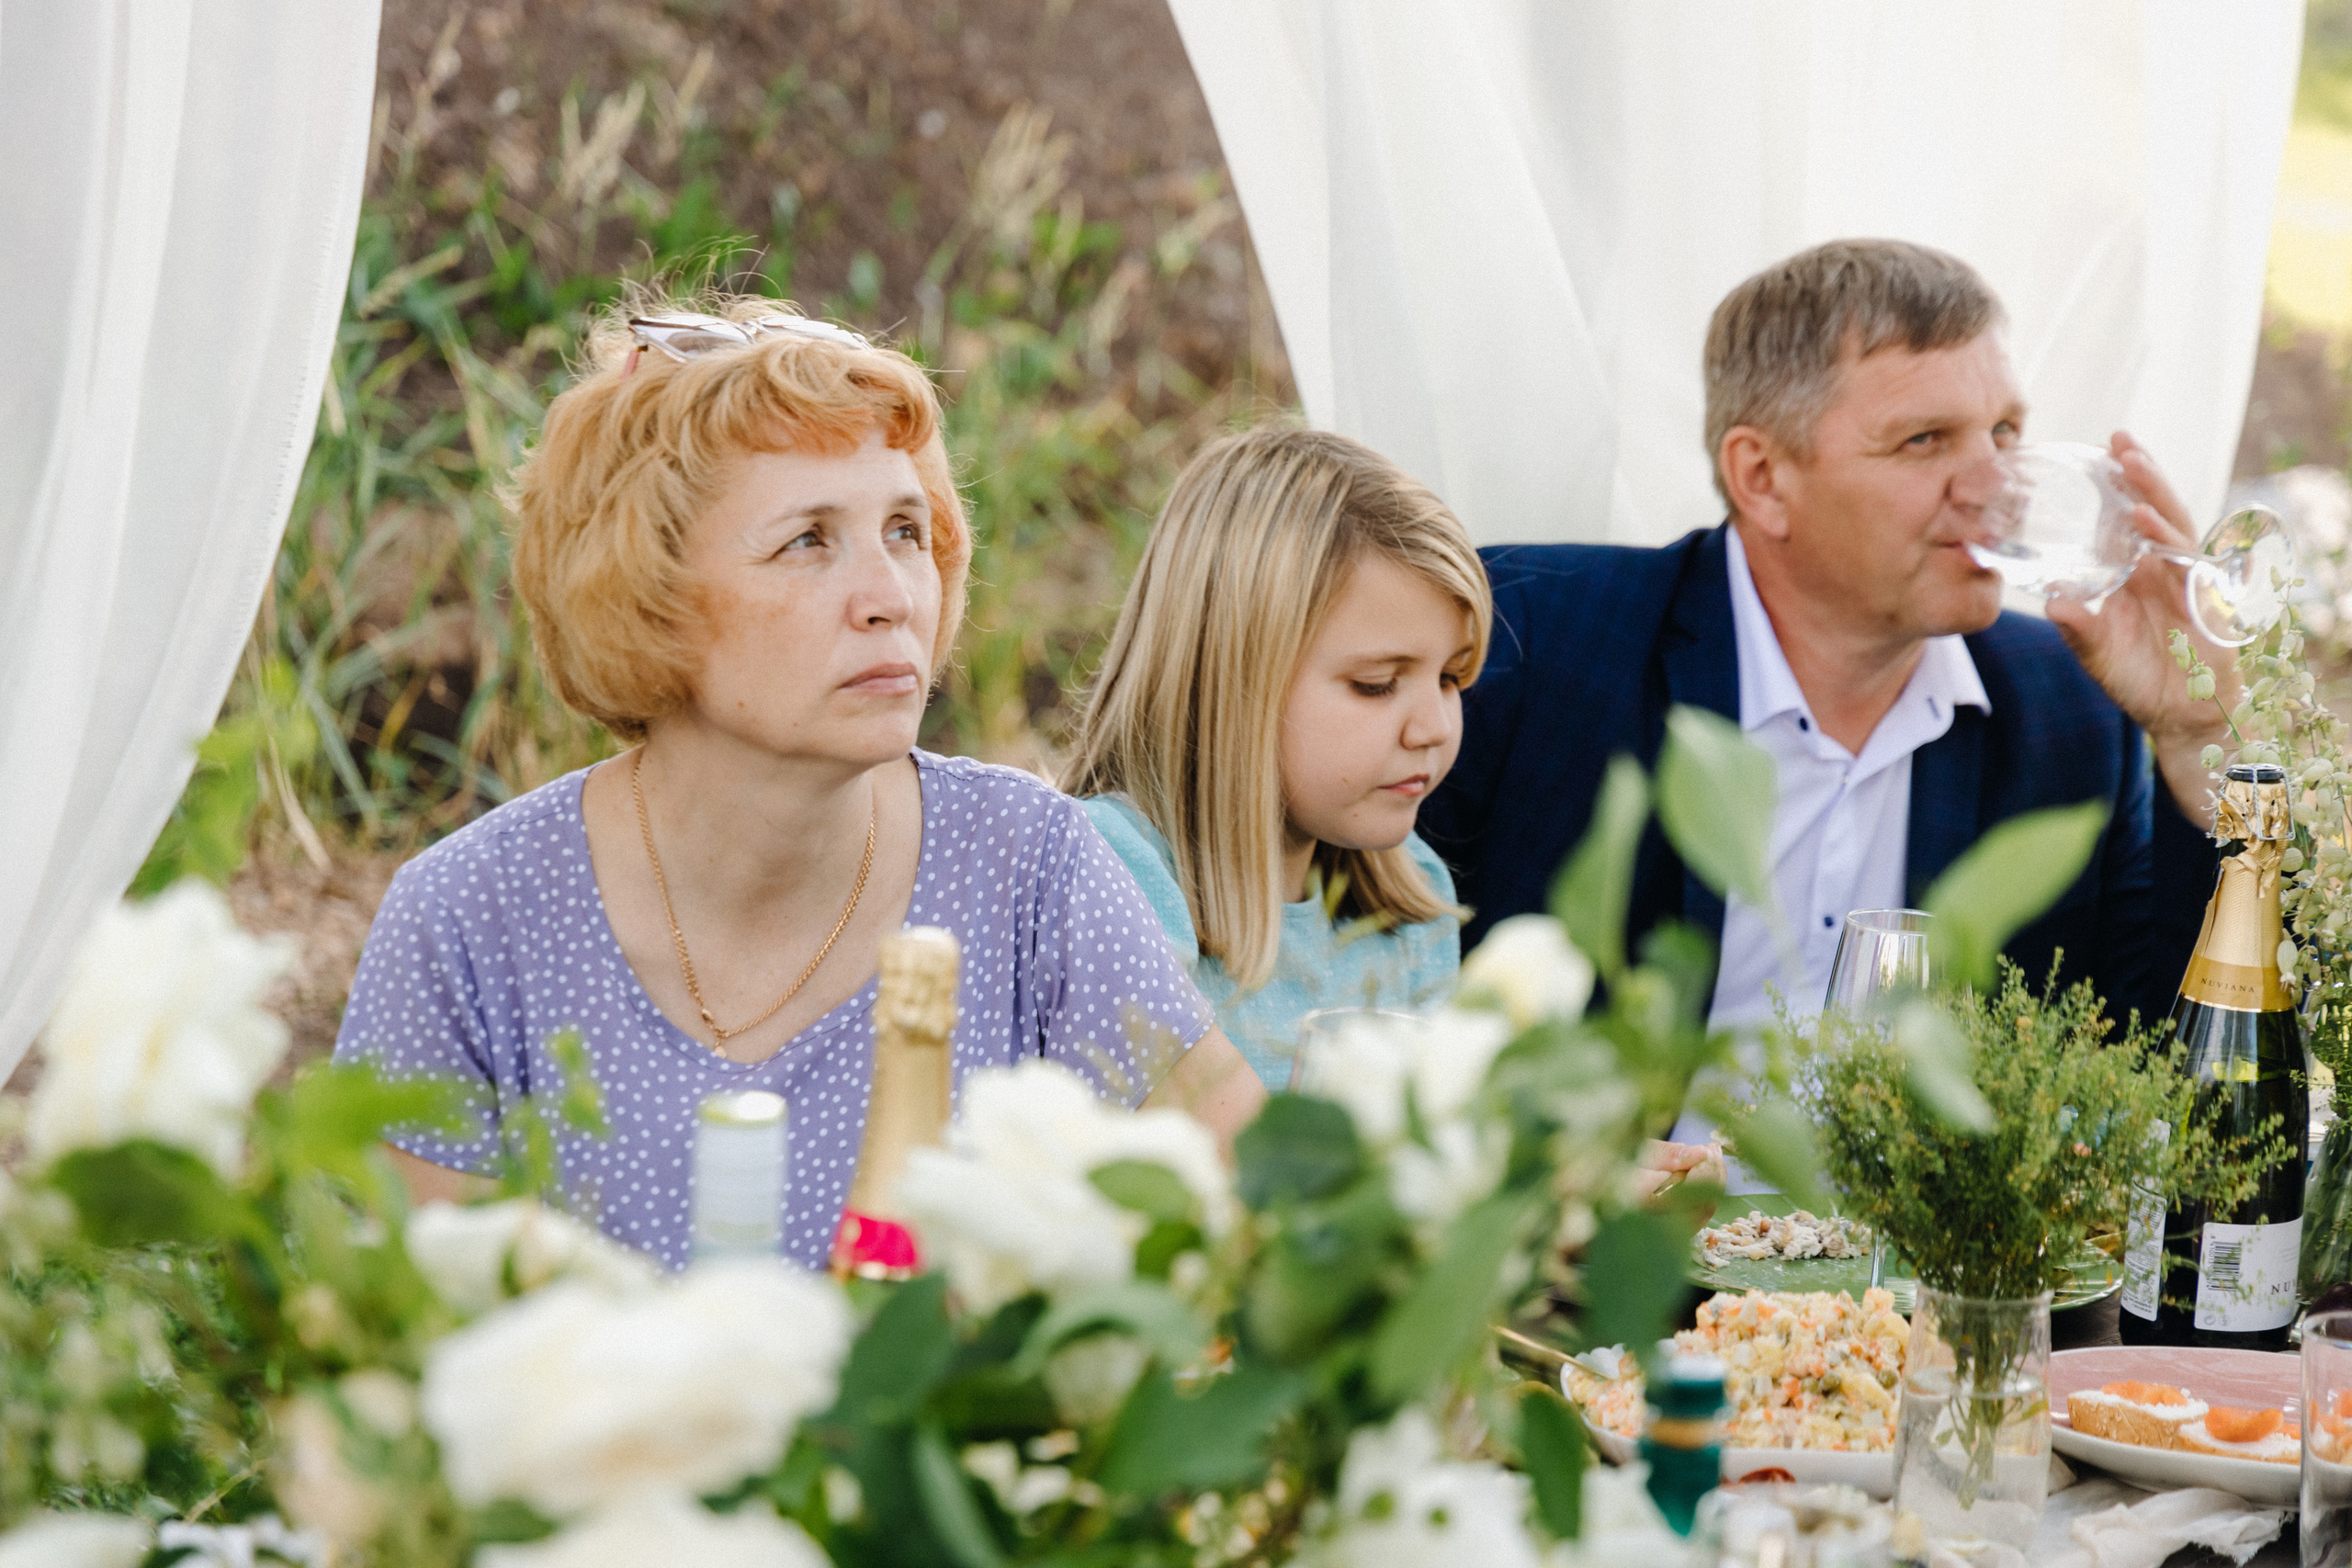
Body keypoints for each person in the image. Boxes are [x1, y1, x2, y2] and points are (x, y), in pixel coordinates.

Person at [332, 298, 1264, 1271]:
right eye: (808, 541)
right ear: (645, 596)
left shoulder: (1026, 864)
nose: (892, 597)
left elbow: (1250, 1217)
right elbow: (407, 1351)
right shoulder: (468, 921)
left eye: (906, 532)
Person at [1419, 239, 2226, 1069]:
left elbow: (2162, 1065)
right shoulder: (1522, 638)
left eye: (2005, 433)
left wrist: (2200, 743)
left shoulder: (2069, 706)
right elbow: (1356, 971)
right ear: (1763, 477)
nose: (1996, 490)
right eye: (1924, 440)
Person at [1060, 427, 1486, 1091]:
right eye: (1377, 684)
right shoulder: (1108, 869)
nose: (1433, 727)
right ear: (1233, 674)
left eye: (1451, 679)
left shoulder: (1415, 902)